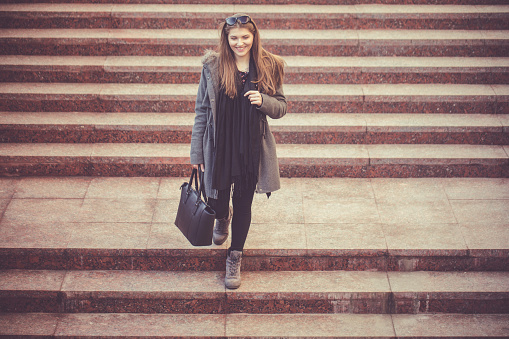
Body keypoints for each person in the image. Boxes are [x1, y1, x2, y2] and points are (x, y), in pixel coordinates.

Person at [190, 13, 287, 289]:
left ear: (254, 36)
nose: (240, 43)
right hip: (219, 147)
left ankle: (235, 256)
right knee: (216, 200)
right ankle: (222, 215)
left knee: (244, 204)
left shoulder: (268, 65)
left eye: (245, 37)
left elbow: (281, 106)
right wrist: (196, 154)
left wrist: (264, 100)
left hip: (250, 149)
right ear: (226, 38)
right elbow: (201, 111)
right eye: (234, 38)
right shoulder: (212, 66)